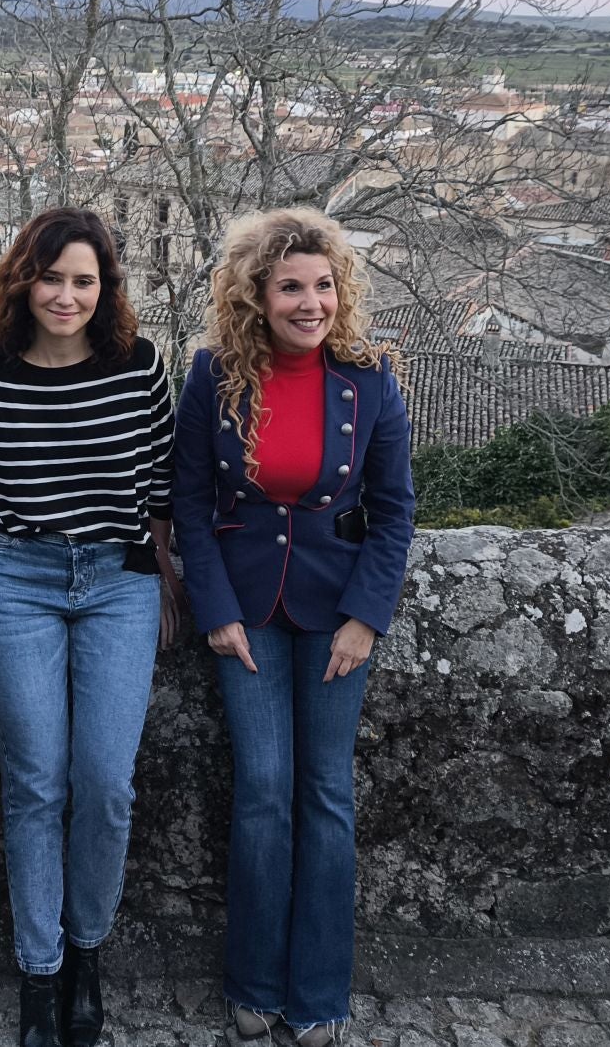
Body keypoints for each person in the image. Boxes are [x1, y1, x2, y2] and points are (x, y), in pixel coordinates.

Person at [171, 207, 416, 1047]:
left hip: (335, 614)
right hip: (245, 616)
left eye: (322, 286)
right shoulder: (213, 375)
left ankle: (319, 994)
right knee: (263, 795)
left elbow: (394, 514)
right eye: (289, 287)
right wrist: (214, 611)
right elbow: (189, 508)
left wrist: (365, 619)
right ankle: (252, 982)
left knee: (327, 797)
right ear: (257, 294)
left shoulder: (371, 377)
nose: (308, 303)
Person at [0, 206, 182, 1047]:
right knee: (37, 780)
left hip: (118, 580)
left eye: (85, 280)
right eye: (52, 277)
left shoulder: (141, 366)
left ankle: (88, 951)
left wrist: (163, 579)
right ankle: (40, 974)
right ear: (24, 279)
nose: (67, 295)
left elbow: (161, 478)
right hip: (17, 577)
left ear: (105, 287)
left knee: (105, 783)